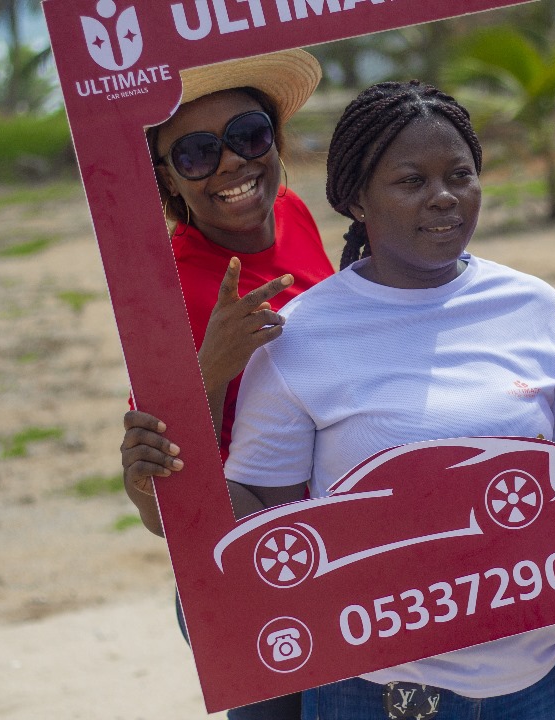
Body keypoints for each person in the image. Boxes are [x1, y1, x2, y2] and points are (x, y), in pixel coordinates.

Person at [125, 79, 555, 719]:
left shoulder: (535, 306)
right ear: (357, 199)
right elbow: (249, 516)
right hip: (373, 679)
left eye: (460, 175)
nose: (443, 196)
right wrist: (183, 431)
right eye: (411, 181)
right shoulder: (266, 326)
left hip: (535, 674)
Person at [119, 48, 335, 720]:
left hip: (341, 547)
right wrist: (212, 369)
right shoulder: (163, 290)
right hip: (252, 571)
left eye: (248, 135)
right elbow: (159, 509)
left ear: (275, 140)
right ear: (167, 179)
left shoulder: (294, 213)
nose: (232, 164)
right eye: (196, 154)